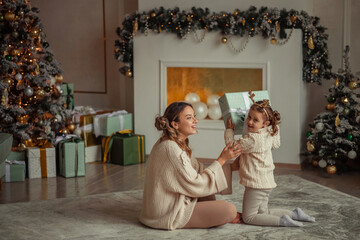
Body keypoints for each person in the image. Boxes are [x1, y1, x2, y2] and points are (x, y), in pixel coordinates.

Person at [139, 101, 242, 230]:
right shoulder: (171, 148)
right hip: (168, 213)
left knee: (208, 190)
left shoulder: (174, 142)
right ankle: (215, 214)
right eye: (189, 118)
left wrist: (231, 166)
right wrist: (222, 159)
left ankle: (212, 213)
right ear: (175, 124)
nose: (195, 121)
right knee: (229, 210)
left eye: (194, 116)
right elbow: (196, 183)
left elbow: (197, 170)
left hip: (172, 203)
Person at [225, 91, 316, 227]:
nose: (249, 121)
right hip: (266, 182)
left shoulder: (252, 139)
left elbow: (232, 146)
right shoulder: (269, 133)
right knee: (263, 212)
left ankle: (282, 221)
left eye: (255, 120)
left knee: (249, 217)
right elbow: (276, 144)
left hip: (255, 184)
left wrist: (229, 130)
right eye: (249, 117)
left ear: (264, 123)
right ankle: (294, 214)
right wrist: (275, 126)